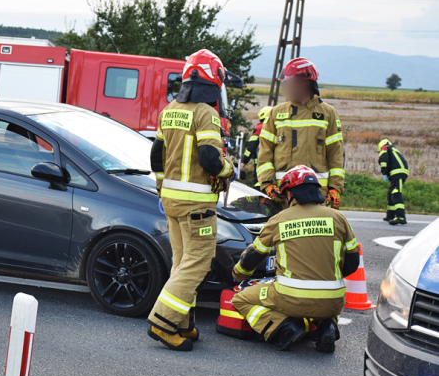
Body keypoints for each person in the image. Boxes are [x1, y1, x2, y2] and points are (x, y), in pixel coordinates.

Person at [147, 49, 235, 351]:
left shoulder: (169, 109)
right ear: (214, 81)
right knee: (197, 265)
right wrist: (229, 168)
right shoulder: (206, 114)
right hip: (196, 205)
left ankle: (183, 323)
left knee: (182, 264)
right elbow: (211, 158)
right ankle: (162, 322)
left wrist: (162, 187)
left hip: (171, 202)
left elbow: (156, 155)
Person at [231, 165, 360, 352]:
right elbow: (352, 263)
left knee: (241, 299)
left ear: (290, 194)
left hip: (289, 298)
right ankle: (327, 327)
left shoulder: (279, 219)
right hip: (333, 300)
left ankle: (283, 329)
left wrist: (238, 275)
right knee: (325, 304)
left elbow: (253, 256)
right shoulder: (338, 218)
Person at [256, 58, 346, 209]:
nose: (286, 88)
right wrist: (267, 184)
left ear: (305, 83)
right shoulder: (276, 113)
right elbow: (264, 153)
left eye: (289, 84)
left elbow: (336, 155)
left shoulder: (328, 114)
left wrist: (335, 188)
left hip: (317, 196)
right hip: (283, 196)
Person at [239, 105, 272, 190]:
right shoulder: (275, 128)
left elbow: (251, 146)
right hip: (273, 165)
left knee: (258, 187)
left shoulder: (260, 128)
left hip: (260, 165)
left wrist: (244, 162)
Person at [378, 139, 410, 225]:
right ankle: (390, 215)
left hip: (397, 173)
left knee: (396, 193)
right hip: (398, 172)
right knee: (391, 193)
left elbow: (383, 160)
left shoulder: (385, 148)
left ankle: (401, 217)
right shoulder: (392, 149)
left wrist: (384, 172)